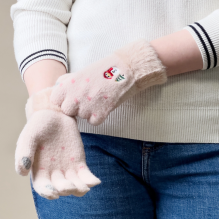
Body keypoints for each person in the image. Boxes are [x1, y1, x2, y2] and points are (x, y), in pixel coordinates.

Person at [10, 0, 219, 218]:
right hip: (77, 140)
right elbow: (39, 9)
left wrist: (133, 66)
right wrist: (48, 105)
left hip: (209, 144)